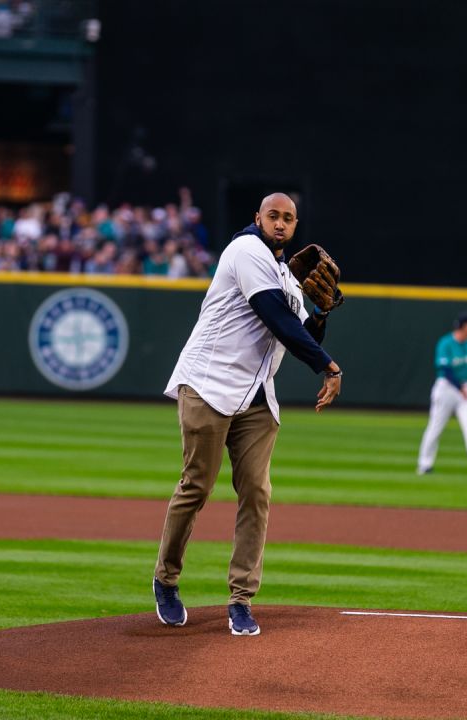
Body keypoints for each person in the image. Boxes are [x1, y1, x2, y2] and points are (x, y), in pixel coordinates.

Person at [153, 193, 343, 637]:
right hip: (208, 384)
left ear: (296, 227)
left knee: (256, 492)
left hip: (257, 395)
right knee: (196, 486)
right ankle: (166, 579)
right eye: (273, 216)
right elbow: (276, 318)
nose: (280, 223)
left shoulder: (285, 274)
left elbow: (299, 329)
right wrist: (327, 365)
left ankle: (240, 601)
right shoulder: (245, 251)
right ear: (257, 218)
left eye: (288, 218)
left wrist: (320, 312)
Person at [415, 312, 467, 477]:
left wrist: (465, 387)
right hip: (446, 389)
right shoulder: (446, 343)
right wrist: (461, 387)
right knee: (435, 428)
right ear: (465, 326)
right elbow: (445, 369)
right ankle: (424, 465)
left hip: (465, 390)